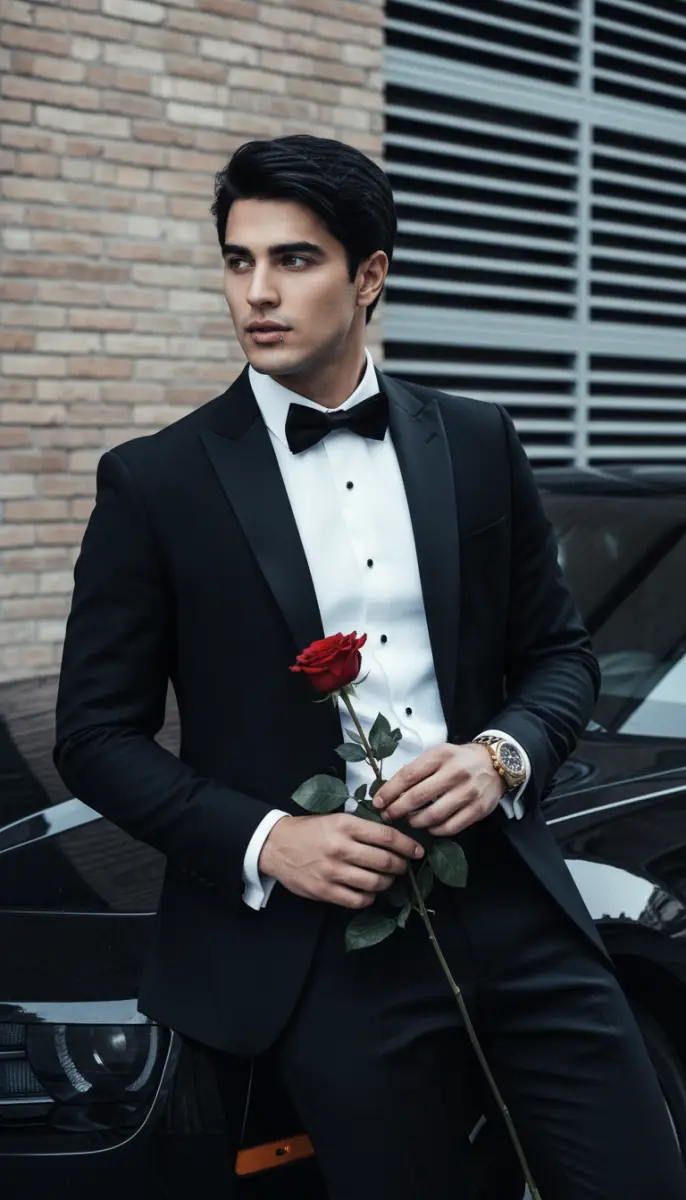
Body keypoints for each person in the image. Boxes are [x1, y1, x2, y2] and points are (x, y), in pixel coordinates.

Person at [54, 135, 686, 1200]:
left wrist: (500, 755)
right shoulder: (154, 482)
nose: (255, 292)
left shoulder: (478, 442)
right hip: (322, 955)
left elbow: (559, 658)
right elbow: (95, 737)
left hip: (519, 910)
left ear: (369, 275)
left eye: (292, 261)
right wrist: (270, 840)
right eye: (236, 260)